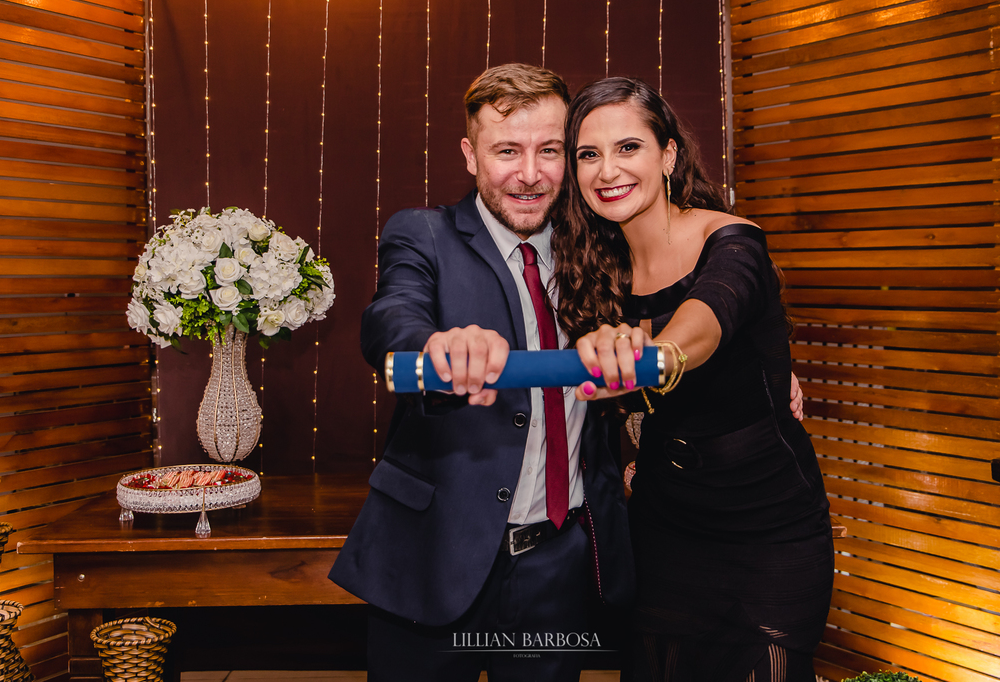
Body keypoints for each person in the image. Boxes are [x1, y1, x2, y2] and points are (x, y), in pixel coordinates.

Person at [329, 64, 635, 682]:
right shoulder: (423, 233)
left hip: (560, 562)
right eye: (507, 151)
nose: (530, 174)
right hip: (434, 556)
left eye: (549, 150)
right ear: (470, 155)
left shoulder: (600, 247)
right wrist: (437, 345)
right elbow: (391, 316)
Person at [551, 77, 834, 682]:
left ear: (669, 155)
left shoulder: (731, 240)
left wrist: (658, 356)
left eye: (629, 147)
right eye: (588, 154)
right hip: (666, 529)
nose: (608, 170)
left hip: (770, 528)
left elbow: (707, 320)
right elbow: (604, 403)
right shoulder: (591, 266)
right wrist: (634, 446)